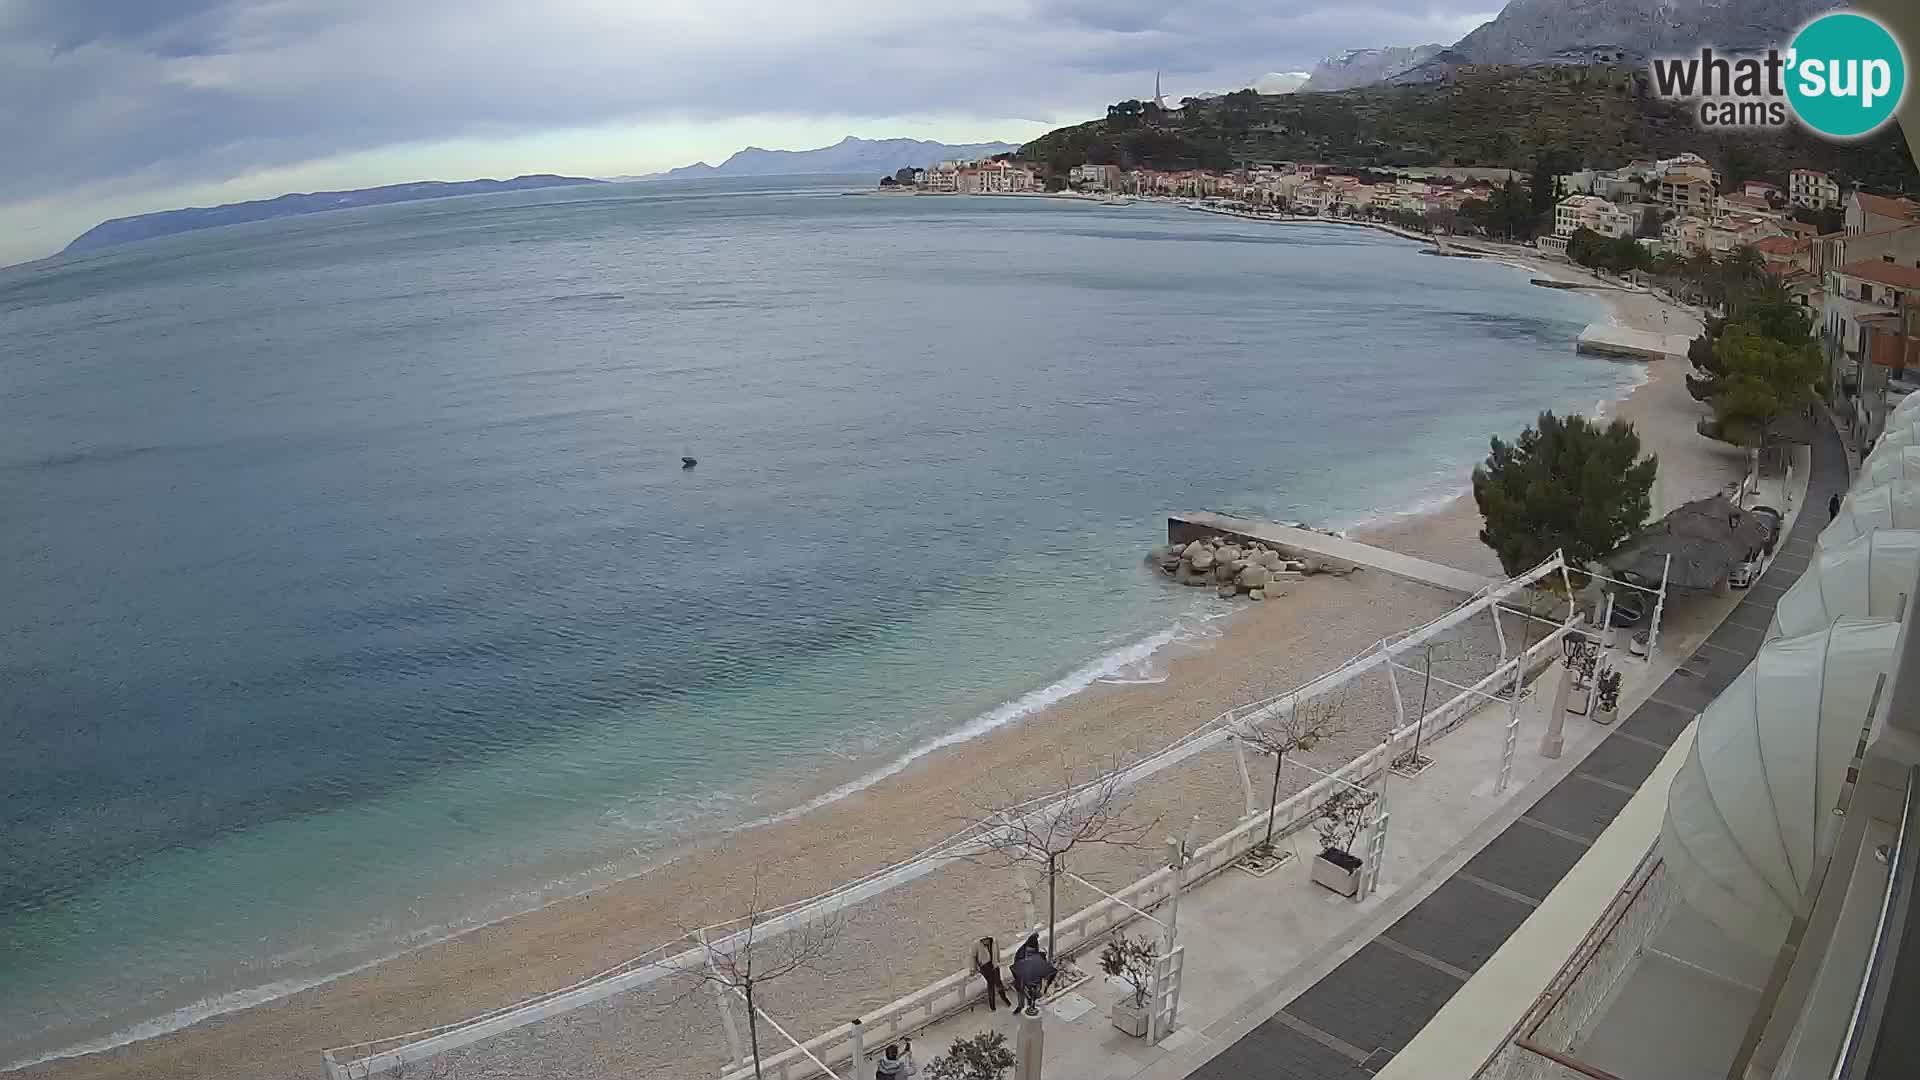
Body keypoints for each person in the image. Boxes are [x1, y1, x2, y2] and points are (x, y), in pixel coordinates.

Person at [1011, 947, 1056, 1016]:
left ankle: (1028, 1006)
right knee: (1026, 995)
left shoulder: (1036, 961)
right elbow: (1052, 972)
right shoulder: (1035, 961)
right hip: (1025, 983)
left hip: (1027, 983)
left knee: (1028, 996)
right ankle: (1026, 1006)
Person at [975, 935, 1013, 1010]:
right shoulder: (977, 945)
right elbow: (973, 957)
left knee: (999, 983)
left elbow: (997, 951)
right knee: (991, 985)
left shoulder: (995, 942)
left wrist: (997, 961)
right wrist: (977, 968)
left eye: (985, 940)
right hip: (985, 967)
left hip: (994, 965)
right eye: (982, 940)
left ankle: (1004, 998)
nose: (983, 941)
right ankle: (992, 1005)